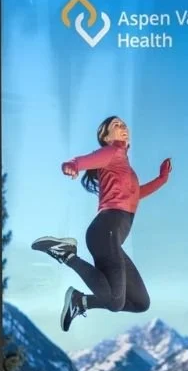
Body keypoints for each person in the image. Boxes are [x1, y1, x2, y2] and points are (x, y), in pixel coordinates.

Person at [31, 116, 172, 332]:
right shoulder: (112, 152)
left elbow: (135, 195)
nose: (123, 126)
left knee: (140, 303)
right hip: (105, 230)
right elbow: (85, 160)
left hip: (112, 237)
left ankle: (80, 301)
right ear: (106, 137)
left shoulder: (122, 163)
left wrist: (162, 179)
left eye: (124, 124)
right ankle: (65, 254)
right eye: (116, 125)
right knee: (115, 302)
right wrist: (72, 165)